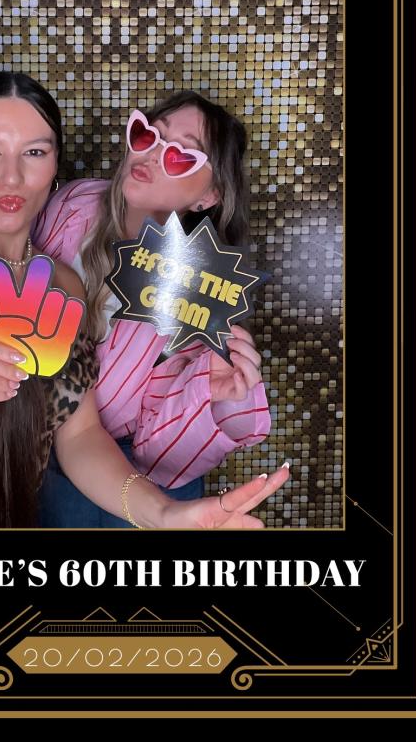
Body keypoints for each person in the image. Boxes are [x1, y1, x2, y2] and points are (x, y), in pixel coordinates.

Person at [0, 72, 289, 529]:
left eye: (34, 152)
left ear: (55, 164)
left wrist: (166, 513)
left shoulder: (65, 285)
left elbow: (79, 434)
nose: (12, 176)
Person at [34, 92, 271, 526]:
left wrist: (208, 393)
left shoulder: (202, 290)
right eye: (148, 135)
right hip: (38, 446)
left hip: (134, 472)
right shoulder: (72, 204)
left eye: (181, 154)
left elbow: (163, 454)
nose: (155, 154)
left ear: (209, 196)